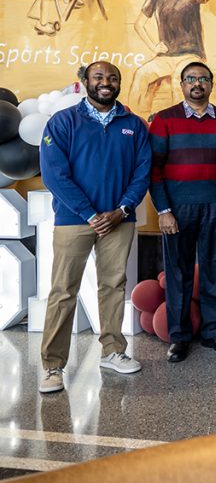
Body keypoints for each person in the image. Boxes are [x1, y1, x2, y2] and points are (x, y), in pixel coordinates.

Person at [37, 61, 151, 394]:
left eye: (112, 78)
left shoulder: (134, 125)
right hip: (74, 220)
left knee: (114, 285)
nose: (106, 82)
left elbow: (142, 173)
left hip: (120, 219)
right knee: (63, 291)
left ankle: (113, 350)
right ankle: (53, 366)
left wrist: (122, 209)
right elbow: (55, 176)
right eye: (99, 77)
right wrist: (90, 214)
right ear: (85, 81)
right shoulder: (63, 122)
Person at [149, 62, 216, 362]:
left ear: (212, 85)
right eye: (191, 79)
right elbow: (154, 169)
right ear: (182, 85)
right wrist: (163, 210)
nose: (197, 84)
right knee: (178, 272)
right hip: (177, 209)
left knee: (215, 269)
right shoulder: (164, 120)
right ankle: (179, 336)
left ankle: (213, 331)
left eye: (203, 79)